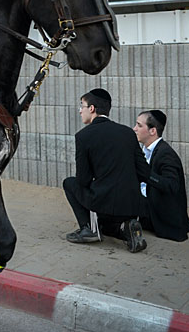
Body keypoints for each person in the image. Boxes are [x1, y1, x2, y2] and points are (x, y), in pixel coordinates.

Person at [63, 88, 149, 253]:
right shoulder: (127, 133)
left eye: (82, 106)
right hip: (133, 204)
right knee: (108, 224)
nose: (80, 111)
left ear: (92, 109)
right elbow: (144, 171)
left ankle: (88, 229)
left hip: (103, 202)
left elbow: (83, 181)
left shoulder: (83, 136)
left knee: (69, 183)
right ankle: (125, 229)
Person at [133, 110, 189, 241]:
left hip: (158, 214)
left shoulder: (166, 154)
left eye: (139, 125)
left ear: (152, 131)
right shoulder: (144, 149)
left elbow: (171, 185)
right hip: (144, 203)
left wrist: (147, 175)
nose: (135, 129)